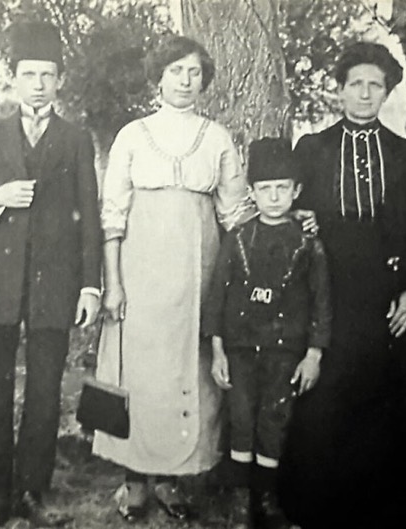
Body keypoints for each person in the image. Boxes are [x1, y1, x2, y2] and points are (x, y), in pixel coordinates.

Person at [277, 42, 406, 529]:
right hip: (329, 287)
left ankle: (388, 507)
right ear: (339, 90)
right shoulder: (312, 148)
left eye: (375, 85)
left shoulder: (405, 153)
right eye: (356, 83)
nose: (365, 93)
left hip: (385, 288)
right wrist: (301, 217)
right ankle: (319, 505)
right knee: (327, 392)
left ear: (387, 91)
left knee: (392, 395)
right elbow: (291, 212)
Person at [92, 35, 253, 523]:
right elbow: (112, 216)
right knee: (138, 374)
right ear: (158, 77)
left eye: (194, 73)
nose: (185, 82)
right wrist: (114, 284)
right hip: (140, 275)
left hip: (199, 276)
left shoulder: (218, 137)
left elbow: (238, 213)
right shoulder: (133, 136)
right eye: (175, 72)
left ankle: (175, 479)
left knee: (191, 372)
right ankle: (133, 481)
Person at [0, 21, 102, 529]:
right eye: (28, 74)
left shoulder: (76, 138)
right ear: (13, 79)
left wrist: (89, 285)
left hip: (54, 288)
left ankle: (32, 493)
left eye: (47, 74)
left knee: (43, 393)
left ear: (60, 80)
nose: (38, 83)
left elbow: (91, 214)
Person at [203, 138, 331, 529]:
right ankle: (241, 500)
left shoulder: (309, 244)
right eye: (265, 189)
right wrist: (219, 351)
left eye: (282, 189)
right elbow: (217, 300)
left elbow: (322, 301)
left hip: (285, 351)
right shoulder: (238, 238)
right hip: (240, 350)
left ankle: (266, 497)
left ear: (296, 191)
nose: (274, 197)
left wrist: (314, 354)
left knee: (274, 420)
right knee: (241, 418)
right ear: (252, 193)